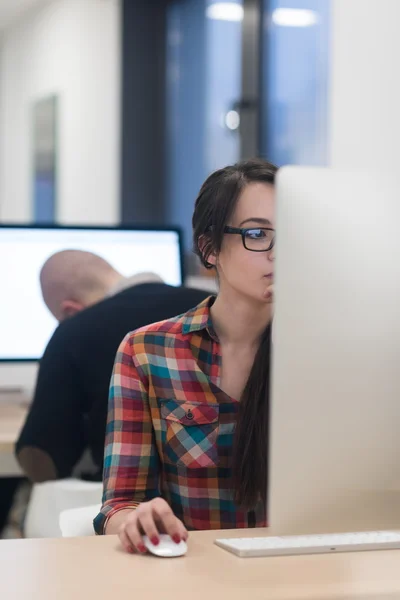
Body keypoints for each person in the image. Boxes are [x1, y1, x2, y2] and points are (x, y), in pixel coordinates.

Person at [95, 158, 277, 553]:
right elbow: (119, 504)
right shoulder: (148, 352)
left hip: (308, 573)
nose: (278, 252)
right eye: (258, 234)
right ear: (209, 248)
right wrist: (136, 520)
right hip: (192, 577)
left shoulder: (327, 353)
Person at [16, 250, 209, 483]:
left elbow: (43, 455)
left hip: (129, 503)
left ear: (69, 310)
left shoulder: (75, 329)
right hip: (230, 498)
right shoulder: (215, 306)